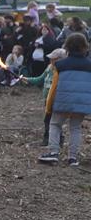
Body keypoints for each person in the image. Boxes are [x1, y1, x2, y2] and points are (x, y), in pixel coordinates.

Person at [38, 33, 91, 166]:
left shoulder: (60, 65)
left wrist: (49, 106)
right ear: (85, 46)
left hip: (63, 100)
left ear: (67, 46)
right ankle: (73, 157)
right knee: (76, 128)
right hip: (81, 102)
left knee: (55, 124)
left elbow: (54, 87)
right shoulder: (89, 65)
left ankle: (54, 152)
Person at [22, 48, 67, 146]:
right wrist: (28, 80)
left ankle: (53, 139)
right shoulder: (49, 68)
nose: (51, 61)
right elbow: (40, 79)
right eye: (51, 59)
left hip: (57, 99)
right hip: (48, 99)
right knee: (48, 119)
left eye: (53, 59)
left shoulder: (62, 71)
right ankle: (54, 139)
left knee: (53, 120)